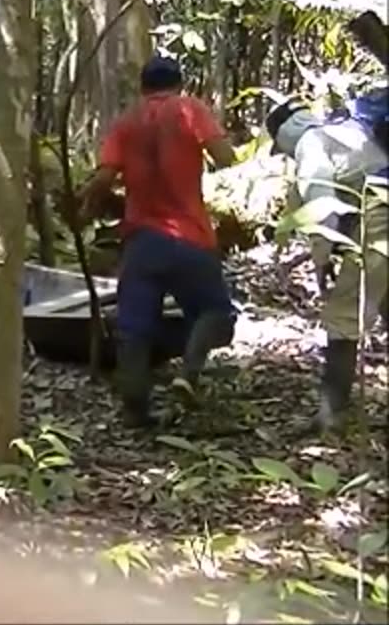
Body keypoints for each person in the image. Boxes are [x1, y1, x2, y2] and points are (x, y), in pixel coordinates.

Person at [77, 55, 238, 428]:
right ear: (178, 84)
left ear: (143, 87)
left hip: (141, 241)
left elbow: (103, 180)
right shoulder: (190, 108)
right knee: (216, 314)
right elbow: (224, 157)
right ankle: (189, 375)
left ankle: (135, 411)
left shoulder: (126, 122)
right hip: (190, 238)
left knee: (134, 329)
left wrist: (84, 205)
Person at [265, 97, 388, 434]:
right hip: (379, 207)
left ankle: (329, 413)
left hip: (378, 214)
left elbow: (323, 208)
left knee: (342, 318)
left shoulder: (311, 144)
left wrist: (324, 261)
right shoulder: (348, 129)